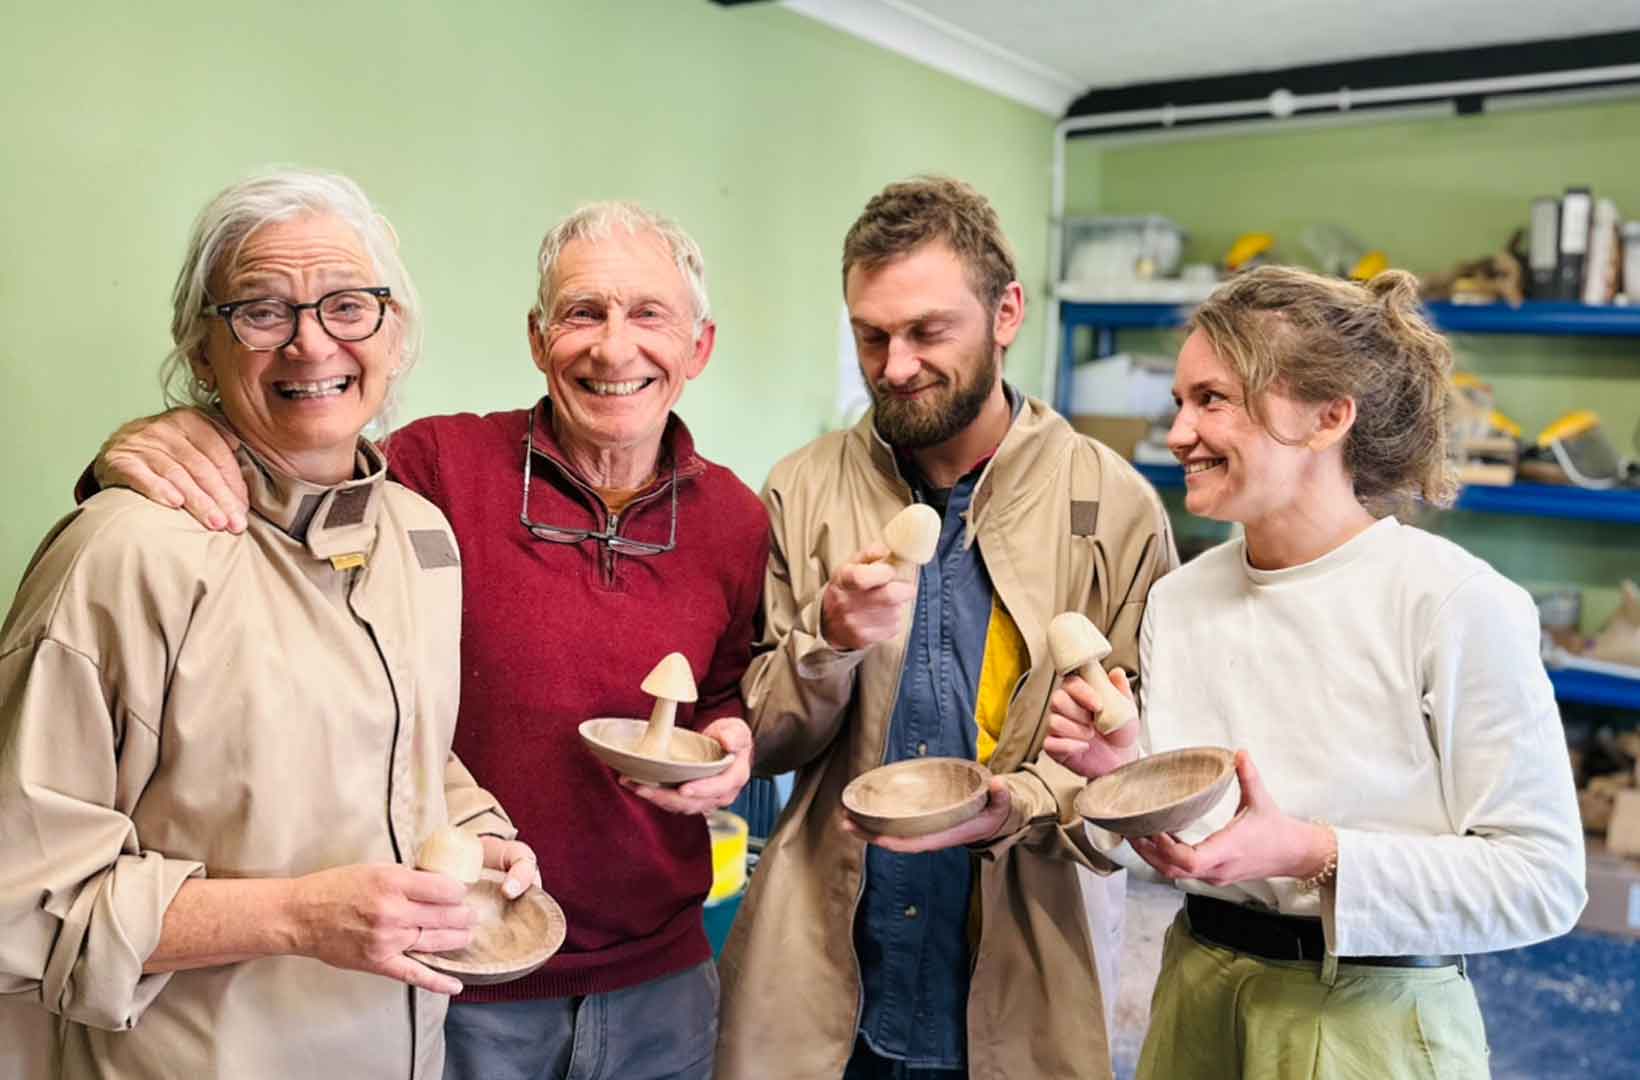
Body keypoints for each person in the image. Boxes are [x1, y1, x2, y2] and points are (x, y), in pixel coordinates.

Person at [71, 201, 769, 1080]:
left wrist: (732, 737)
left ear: (699, 347)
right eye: (583, 313)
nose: (613, 348)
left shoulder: (738, 518)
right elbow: (293, 457)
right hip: (458, 975)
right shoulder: (434, 470)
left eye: (649, 315)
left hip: (662, 982)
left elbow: (720, 689)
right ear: (537, 338)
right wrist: (151, 445)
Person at [0, 169, 539, 1079]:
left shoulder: (420, 536)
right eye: (261, 310)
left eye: (349, 305)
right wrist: (297, 917)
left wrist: (475, 827)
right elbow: (21, 900)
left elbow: (403, 747)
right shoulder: (124, 553)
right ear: (202, 352)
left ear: (396, 334)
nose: (309, 342)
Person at [1046, 265, 1587, 1079]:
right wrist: (1124, 781)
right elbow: (1188, 847)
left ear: (1329, 417)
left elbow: (1542, 882)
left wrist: (1312, 852)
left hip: (1373, 1021)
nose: (1181, 432)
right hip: (1196, 994)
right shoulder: (1181, 599)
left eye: (1212, 400)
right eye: (1180, 402)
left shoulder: (1454, 603)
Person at [715, 176, 1177, 1080]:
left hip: (1017, 981)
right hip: (828, 981)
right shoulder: (800, 488)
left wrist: (1020, 803)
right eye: (871, 336)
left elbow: (1135, 774)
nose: (895, 367)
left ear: (1007, 314)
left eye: (928, 332)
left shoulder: (1114, 507)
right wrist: (829, 642)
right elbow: (761, 743)